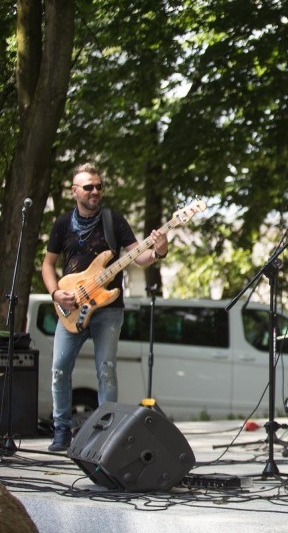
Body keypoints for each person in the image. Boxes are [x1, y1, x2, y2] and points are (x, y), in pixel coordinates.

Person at [41, 163, 169, 451]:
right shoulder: (62, 224)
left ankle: (106, 434)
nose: (95, 191)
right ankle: (61, 431)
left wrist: (159, 249)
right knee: (60, 368)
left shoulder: (114, 220)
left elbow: (139, 256)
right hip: (72, 304)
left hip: (108, 308)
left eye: (99, 186)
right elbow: (47, 265)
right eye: (88, 187)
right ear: (75, 191)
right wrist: (55, 293)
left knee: (106, 369)